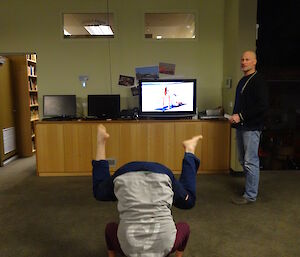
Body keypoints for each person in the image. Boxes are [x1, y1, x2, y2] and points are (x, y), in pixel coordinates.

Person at [92, 124, 202, 257]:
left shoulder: (169, 247)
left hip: (160, 175)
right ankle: (101, 142)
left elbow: (184, 227)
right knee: (99, 191)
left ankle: (189, 150)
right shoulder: (125, 249)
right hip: (126, 175)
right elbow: (110, 229)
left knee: (188, 201)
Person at [229, 50, 268, 205]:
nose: (244, 62)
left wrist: (241, 116)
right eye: (242, 59)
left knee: (250, 161)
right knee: (242, 159)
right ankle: (249, 187)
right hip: (241, 126)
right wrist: (234, 117)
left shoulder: (259, 81)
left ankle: (250, 195)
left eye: (247, 59)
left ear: (254, 62)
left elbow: (262, 106)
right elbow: (241, 105)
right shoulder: (242, 81)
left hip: (252, 128)